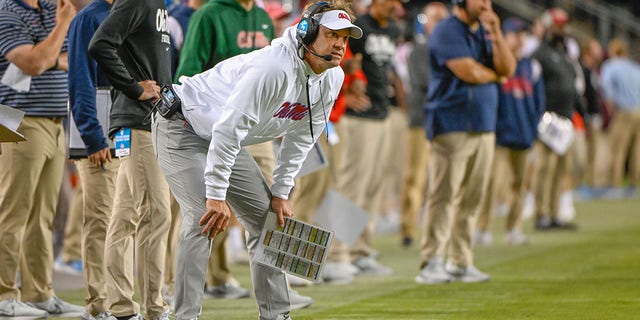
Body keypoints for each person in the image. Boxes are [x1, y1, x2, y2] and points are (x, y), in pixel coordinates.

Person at [153, 2, 362, 319]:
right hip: (182, 127)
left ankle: (277, 314)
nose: (339, 45)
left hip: (222, 135)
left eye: (344, 38)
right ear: (306, 33)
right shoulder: (273, 68)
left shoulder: (331, 77)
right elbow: (227, 129)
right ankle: (185, 316)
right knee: (203, 217)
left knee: (269, 220)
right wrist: (215, 195)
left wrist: (280, 192)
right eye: (332, 34)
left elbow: (301, 137)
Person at [173, 0, 276, 301]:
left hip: (257, 127)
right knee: (206, 208)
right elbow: (189, 72)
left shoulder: (262, 17)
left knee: (266, 207)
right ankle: (195, 281)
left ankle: (267, 285)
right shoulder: (209, 14)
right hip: (218, 125)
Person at [415, 0, 515, 284]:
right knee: (443, 195)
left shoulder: (486, 31)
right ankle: (431, 261)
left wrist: (496, 33)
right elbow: (468, 71)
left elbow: (509, 67)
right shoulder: (447, 30)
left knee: (472, 198)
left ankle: (460, 261)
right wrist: (496, 75)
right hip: (451, 122)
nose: (485, 4)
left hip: (484, 123)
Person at [0, 0, 86, 317]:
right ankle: (3, 294)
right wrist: (62, 24)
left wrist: (48, 56)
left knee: (42, 217)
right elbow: (32, 64)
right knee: (13, 212)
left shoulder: (52, 9)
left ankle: (38, 293)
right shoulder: (8, 12)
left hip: (54, 121)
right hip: (18, 120)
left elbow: (73, 58)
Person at [88, 0, 173, 318]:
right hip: (137, 123)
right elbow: (100, 44)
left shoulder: (158, 4)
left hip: (145, 123)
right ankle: (155, 309)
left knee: (124, 216)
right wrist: (132, 88)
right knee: (156, 213)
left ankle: (122, 307)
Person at [337, 0, 403, 276]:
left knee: (374, 185)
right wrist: (347, 92)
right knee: (351, 185)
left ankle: (361, 250)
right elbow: (340, 60)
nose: (397, 6)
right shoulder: (359, 25)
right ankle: (336, 253)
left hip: (381, 113)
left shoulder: (394, 30)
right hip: (358, 118)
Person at [67, 0, 122, 318]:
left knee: (126, 220)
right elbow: (80, 81)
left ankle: (121, 301)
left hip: (128, 131)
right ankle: (99, 304)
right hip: (99, 135)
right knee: (102, 220)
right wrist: (92, 135)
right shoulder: (89, 18)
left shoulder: (137, 12)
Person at [475, 17, 545, 246]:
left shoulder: (531, 66)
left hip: (524, 134)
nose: (519, 40)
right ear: (504, 37)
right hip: (499, 135)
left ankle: (513, 228)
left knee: (520, 186)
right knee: (490, 184)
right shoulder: (495, 63)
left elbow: (538, 103)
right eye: (515, 34)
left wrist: (533, 130)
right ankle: (482, 229)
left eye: (523, 35)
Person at [401, 1, 448, 247]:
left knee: (439, 179)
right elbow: (426, 83)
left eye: (443, 19)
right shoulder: (419, 50)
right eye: (435, 19)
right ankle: (409, 229)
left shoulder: (448, 48)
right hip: (421, 120)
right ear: (426, 22)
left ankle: (434, 228)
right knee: (415, 177)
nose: (439, 24)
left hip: (444, 122)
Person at [531, 7, 580, 230]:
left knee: (561, 169)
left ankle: (553, 213)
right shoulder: (539, 54)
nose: (563, 30)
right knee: (545, 167)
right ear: (549, 28)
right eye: (559, 26)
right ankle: (541, 214)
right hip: (548, 119)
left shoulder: (563, 54)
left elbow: (571, 84)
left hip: (566, 118)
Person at [600, 38, 640, 196]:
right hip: (639, 111)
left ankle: (615, 184)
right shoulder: (635, 68)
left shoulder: (611, 66)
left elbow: (605, 85)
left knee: (618, 149)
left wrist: (610, 106)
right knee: (637, 150)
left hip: (623, 111)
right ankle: (634, 184)